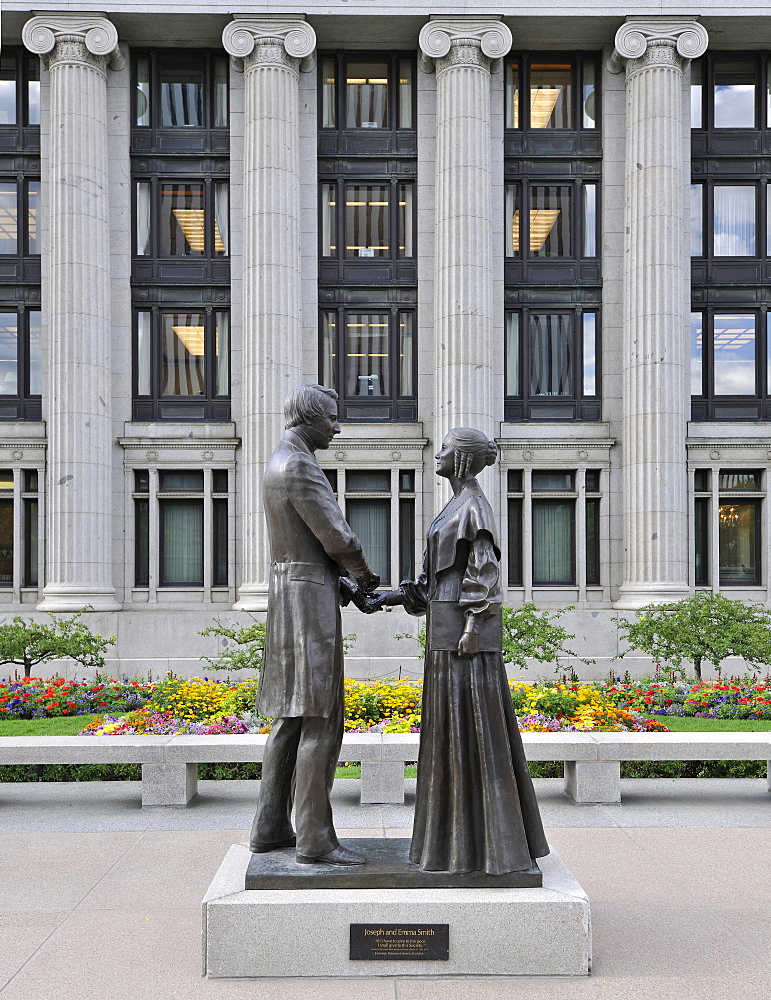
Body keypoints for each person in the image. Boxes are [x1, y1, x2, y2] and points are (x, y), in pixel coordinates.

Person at [374, 428, 549, 874]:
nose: (439, 453)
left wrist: (472, 627)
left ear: (466, 460)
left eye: (448, 449)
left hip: (462, 636)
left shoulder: (474, 507)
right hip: (445, 625)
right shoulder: (453, 506)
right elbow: (433, 582)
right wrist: (389, 597)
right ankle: (453, 842)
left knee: (470, 729)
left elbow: (484, 575)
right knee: (448, 731)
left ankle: (483, 846)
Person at [249, 384, 379, 866]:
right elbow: (336, 538)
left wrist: (344, 587)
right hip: (307, 602)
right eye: (331, 417)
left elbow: (304, 546)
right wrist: (363, 577)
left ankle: (269, 828)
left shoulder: (276, 461)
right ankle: (315, 840)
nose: (337, 427)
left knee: (291, 717)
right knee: (321, 717)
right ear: (309, 419)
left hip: (290, 590)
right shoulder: (301, 463)